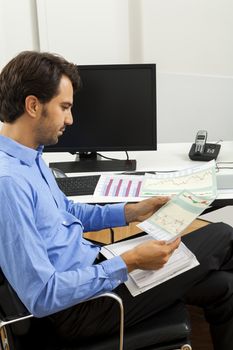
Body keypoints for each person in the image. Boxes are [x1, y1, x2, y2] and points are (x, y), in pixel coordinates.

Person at [0, 51, 233, 350]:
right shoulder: (9, 183)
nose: (70, 119)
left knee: (224, 287)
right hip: (79, 310)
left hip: (91, 271)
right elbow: (43, 295)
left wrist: (132, 211)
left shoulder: (30, 158)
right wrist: (131, 261)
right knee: (222, 235)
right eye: (64, 107)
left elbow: (67, 211)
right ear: (33, 105)